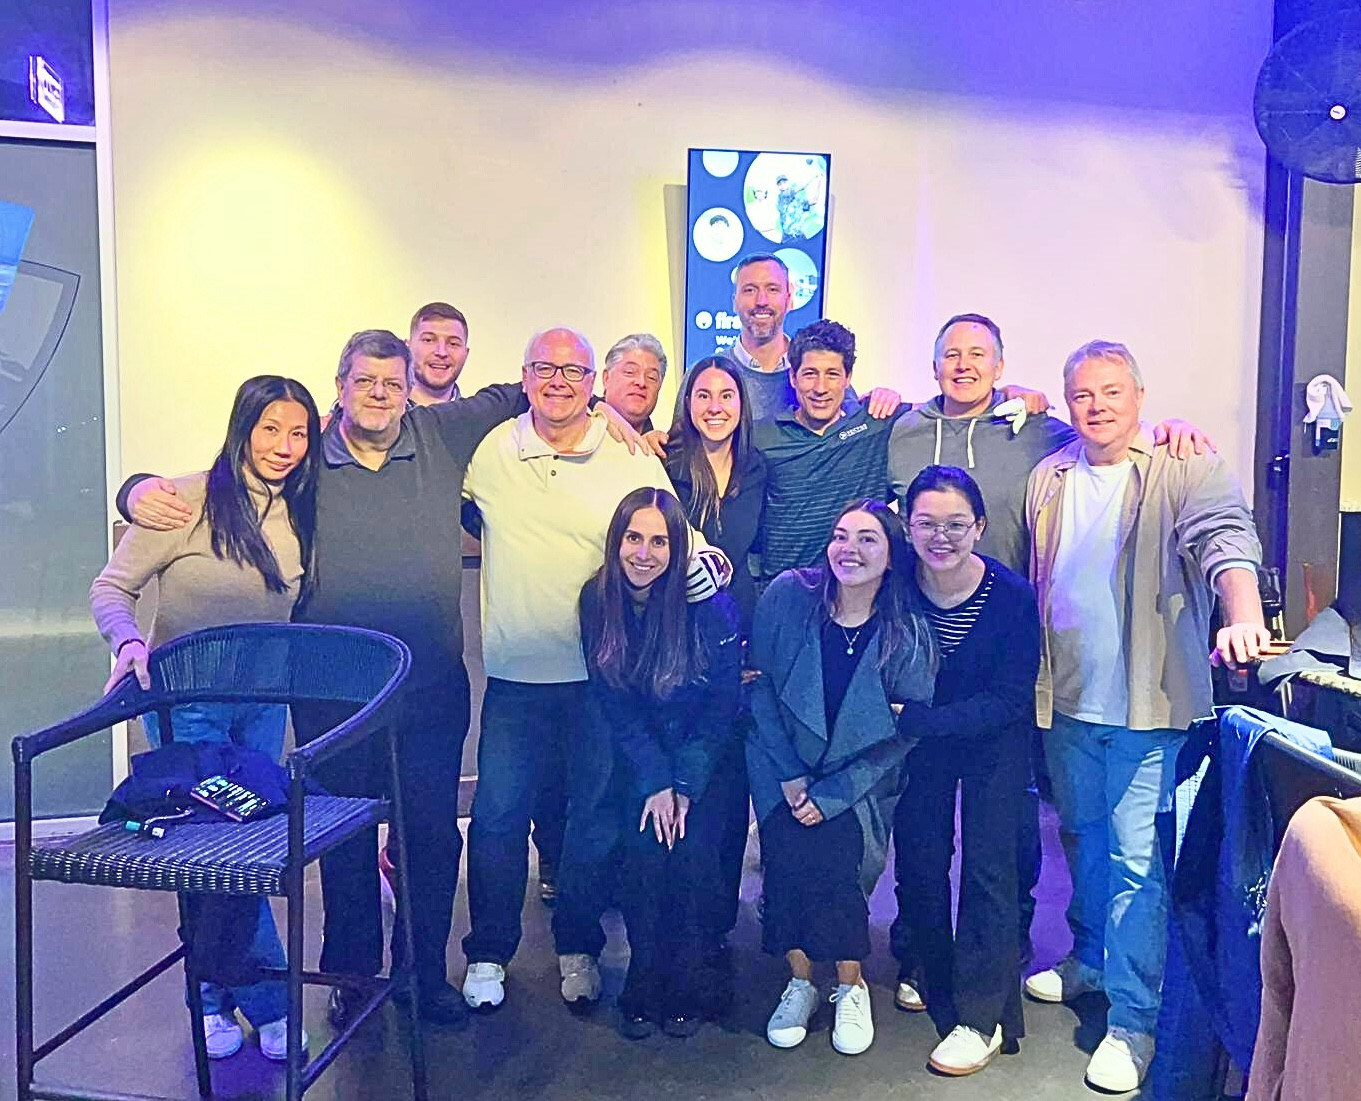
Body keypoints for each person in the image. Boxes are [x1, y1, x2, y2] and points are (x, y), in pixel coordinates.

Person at [117, 330, 548, 1031]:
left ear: (410, 388)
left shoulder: (441, 432)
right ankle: (351, 975)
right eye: (363, 382)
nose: (379, 395)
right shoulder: (308, 456)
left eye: (391, 383)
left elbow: (532, 385)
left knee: (431, 837)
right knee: (340, 839)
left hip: (429, 689)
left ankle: (418, 975)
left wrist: (619, 412)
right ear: (339, 388)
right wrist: (134, 489)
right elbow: (225, 478)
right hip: (330, 695)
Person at [887, 312, 1216, 973]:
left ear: (1001, 366)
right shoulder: (902, 430)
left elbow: (1136, 452)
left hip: (1009, 644)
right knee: (926, 817)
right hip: (927, 639)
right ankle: (924, 948)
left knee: (1013, 821)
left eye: (977, 353)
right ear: (931, 366)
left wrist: (1175, 431)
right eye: (950, 353)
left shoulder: (1043, 429)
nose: (963, 363)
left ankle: (1013, 944)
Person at [458, 327, 728, 1014]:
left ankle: (577, 947)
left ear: (592, 382)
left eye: (573, 370)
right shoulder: (493, 451)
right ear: (523, 376)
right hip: (518, 679)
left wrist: (708, 566)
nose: (558, 381)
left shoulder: (626, 451)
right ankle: (488, 953)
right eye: (544, 368)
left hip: (601, 680)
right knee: (494, 819)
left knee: (590, 824)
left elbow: (675, 533)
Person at [1022, 340, 1269, 1093]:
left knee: (1136, 864)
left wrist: (1242, 612)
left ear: (1138, 396)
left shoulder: (1181, 463)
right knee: (1080, 840)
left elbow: (1224, 536)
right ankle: (1090, 958)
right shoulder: (1049, 474)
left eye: (1110, 391)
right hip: (1062, 698)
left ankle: (1133, 1021)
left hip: (1144, 706)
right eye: (1081, 394)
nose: (1095, 406)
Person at [90, 375, 320, 1062]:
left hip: (263, 703)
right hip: (186, 706)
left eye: (298, 432)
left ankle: (211, 994)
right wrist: (129, 642)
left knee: (244, 855)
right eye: (270, 428)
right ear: (241, 427)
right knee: (213, 854)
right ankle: (266, 1001)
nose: (284, 445)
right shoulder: (182, 500)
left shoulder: (301, 506)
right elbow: (111, 586)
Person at [748, 498, 935, 1057]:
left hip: (860, 784)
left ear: (892, 553)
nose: (848, 549)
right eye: (840, 535)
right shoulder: (788, 597)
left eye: (867, 539)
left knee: (837, 865)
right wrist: (789, 778)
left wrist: (831, 795)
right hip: (779, 765)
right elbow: (757, 686)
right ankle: (801, 981)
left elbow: (904, 735)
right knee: (784, 866)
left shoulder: (909, 632)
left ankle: (851, 987)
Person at [890, 465, 1040, 1076]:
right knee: (920, 858)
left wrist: (921, 720)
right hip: (920, 741)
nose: (941, 536)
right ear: (907, 526)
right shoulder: (896, 582)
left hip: (991, 741)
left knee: (989, 868)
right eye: (926, 523)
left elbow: (1010, 699)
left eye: (956, 524)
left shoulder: (1010, 596)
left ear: (980, 526)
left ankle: (982, 1012)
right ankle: (927, 962)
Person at [579, 487, 742, 1039]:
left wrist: (684, 783)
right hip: (641, 756)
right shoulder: (596, 600)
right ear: (616, 541)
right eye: (633, 538)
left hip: (706, 757)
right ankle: (646, 973)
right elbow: (615, 703)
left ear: (677, 548)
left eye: (658, 540)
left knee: (695, 858)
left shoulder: (709, 604)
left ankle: (693, 975)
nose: (643, 553)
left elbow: (722, 705)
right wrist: (654, 782)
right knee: (647, 856)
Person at [663, 356, 767, 990]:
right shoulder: (666, 464)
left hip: (748, 641)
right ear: (687, 403)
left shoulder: (759, 468)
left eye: (726, 394)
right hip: (685, 645)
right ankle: (677, 926)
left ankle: (717, 926)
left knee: (731, 794)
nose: (715, 406)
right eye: (702, 394)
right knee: (691, 784)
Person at [752, 319, 910, 588]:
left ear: (848, 379)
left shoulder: (876, 424)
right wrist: (653, 437)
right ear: (793, 377)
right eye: (810, 373)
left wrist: (1004, 396)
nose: (821, 387)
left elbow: (948, 412)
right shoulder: (760, 436)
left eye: (833, 374)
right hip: (784, 590)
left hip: (858, 588)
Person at [407, 301, 471, 406]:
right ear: (407, 348)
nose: (441, 352)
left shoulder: (479, 420)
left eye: (453, 343)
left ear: (465, 354)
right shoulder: (380, 417)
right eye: (428, 340)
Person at [600, 333, 666, 433]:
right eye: (630, 372)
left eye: (651, 377)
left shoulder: (662, 446)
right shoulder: (578, 430)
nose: (641, 382)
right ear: (606, 378)